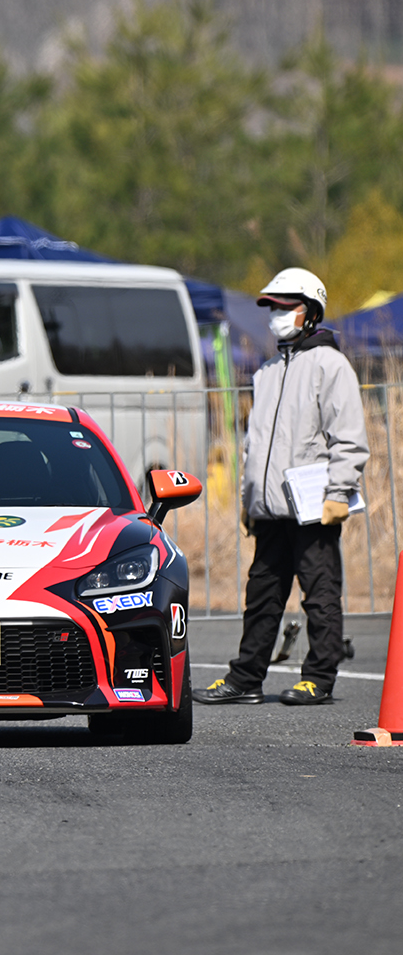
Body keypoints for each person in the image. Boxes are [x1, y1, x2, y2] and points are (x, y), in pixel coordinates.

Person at [194, 268, 368, 707]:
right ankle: (247, 677)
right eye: (271, 306)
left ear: (309, 312)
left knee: (320, 594)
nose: (275, 314)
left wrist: (339, 492)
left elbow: (348, 437)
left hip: (313, 507)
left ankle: (319, 677)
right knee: (262, 596)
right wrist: (247, 500)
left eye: (284, 306)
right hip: (269, 508)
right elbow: (254, 445)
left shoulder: (331, 365)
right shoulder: (268, 372)